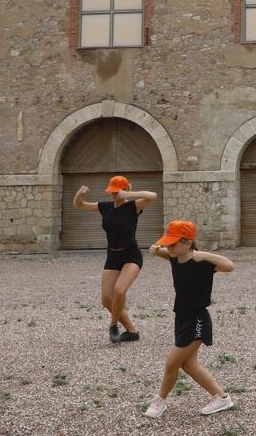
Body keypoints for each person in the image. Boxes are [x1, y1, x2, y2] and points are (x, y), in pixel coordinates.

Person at [141, 220, 236, 418]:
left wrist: (207, 255)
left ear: (187, 242)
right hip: (181, 317)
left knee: (171, 363)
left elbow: (229, 266)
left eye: (173, 243)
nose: (169, 247)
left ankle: (160, 401)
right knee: (189, 365)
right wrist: (156, 251)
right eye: (168, 243)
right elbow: (166, 254)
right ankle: (222, 398)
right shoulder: (175, 258)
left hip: (198, 319)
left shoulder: (202, 262)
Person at [73, 175, 157, 343]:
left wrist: (128, 195)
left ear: (125, 190)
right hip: (112, 255)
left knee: (119, 290)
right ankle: (132, 332)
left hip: (131, 255)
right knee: (106, 299)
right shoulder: (105, 207)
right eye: (111, 191)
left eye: (116, 191)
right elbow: (79, 205)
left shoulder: (134, 206)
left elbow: (153, 196)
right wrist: (79, 193)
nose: (113, 194)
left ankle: (113, 326)